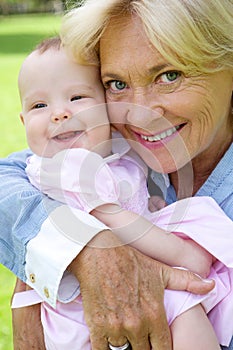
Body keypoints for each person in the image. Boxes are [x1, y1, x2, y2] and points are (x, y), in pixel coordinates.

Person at [0, 0, 232, 349]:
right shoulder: (111, 142)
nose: (139, 112)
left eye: (170, 75)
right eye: (117, 83)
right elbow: (8, 177)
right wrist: (86, 249)